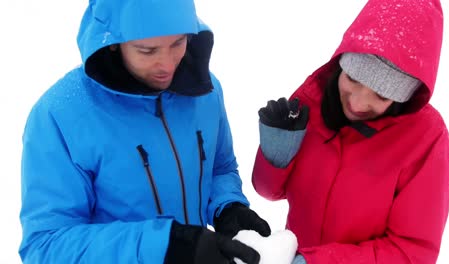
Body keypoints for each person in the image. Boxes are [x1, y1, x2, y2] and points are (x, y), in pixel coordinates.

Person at [19, 0, 271, 263]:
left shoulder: (205, 93)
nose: (167, 64)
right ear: (114, 41)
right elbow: (46, 246)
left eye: (178, 43)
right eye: (147, 50)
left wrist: (227, 207)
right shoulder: (60, 115)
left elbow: (219, 168)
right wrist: (164, 247)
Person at [252, 0, 449, 263]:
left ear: (404, 97)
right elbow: (270, 192)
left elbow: (410, 252)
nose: (357, 103)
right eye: (353, 78)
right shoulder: (312, 102)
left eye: (381, 94)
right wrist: (274, 158)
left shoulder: (427, 140)